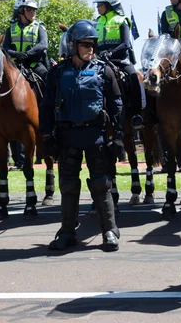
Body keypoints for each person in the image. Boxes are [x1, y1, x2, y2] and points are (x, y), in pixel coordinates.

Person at [40, 19, 123, 252]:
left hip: (95, 134)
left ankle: (109, 231)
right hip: (67, 136)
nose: (90, 49)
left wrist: (117, 137)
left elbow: (117, 105)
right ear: (72, 46)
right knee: (68, 185)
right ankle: (67, 233)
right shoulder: (57, 73)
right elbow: (46, 107)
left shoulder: (104, 70)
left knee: (101, 184)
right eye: (85, 44)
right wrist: (47, 136)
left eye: (92, 44)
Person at [94, 0, 145, 129]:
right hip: (100, 61)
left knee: (134, 78)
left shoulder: (121, 20)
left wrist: (110, 53)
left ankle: (136, 114)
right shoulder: (96, 22)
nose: (97, 7)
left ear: (109, 4)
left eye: (100, 4)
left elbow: (125, 44)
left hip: (119, 60)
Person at [3, 0, 49, 92]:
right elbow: (5, 47)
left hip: (34, 65)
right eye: (29, 9)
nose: (33, 12)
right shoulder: (11, 29)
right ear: (21, 11)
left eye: (34, 9)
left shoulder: (39, 26)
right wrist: (16, 54)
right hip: (15, 65)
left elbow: (43, 44)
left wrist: (28, 54)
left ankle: (50, 107)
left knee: (48, 79)